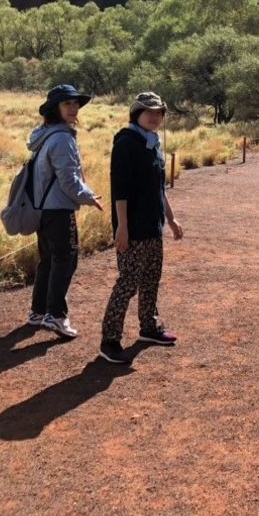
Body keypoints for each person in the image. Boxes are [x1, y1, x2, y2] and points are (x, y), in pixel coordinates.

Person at [99, 92, 184, 365]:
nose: (154, 116)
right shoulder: (127, 142)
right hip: (133, 228)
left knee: (150, 279)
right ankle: (109, 340)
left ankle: (149, 327)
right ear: (136, 113)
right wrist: (122, 227)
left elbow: (158, 188)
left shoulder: (152, 143)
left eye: (159, 112)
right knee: (127, 283)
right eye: (148, 111)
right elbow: (120, 190)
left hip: (152, 226)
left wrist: (170, 219)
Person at [26, 84, 104, 339]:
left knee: (49, 260)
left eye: (75, 104)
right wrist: (88, 197)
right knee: (66, 260)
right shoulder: (61, 138)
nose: (73, 108)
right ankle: (56, 315)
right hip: (58, 210)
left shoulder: (46, 134)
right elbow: (68, 180)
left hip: (43, 209)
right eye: (67, 104)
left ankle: (38, 311)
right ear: (55, 109)